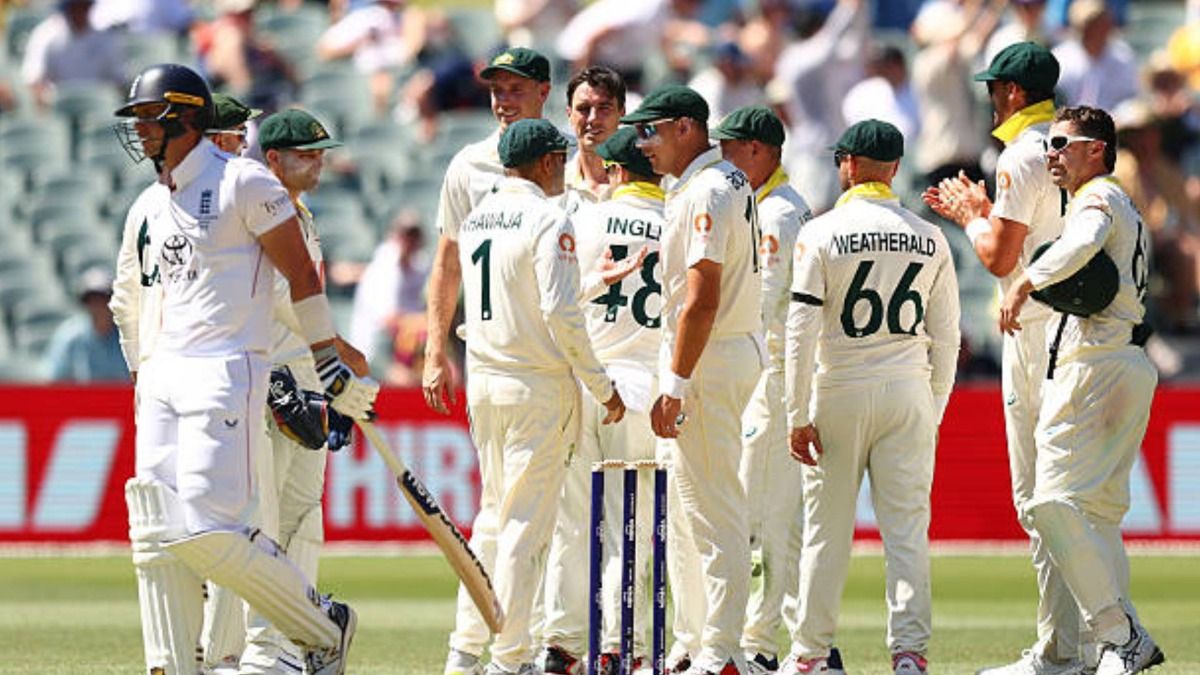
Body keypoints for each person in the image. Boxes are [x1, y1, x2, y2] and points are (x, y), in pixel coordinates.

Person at [108, 63, 375, 675]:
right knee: (154, 528)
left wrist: (327, 357)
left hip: (227, 371)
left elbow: (300, 276)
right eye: (140, 120)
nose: (142, 130)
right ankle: (174, 666)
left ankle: (320, 625)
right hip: (162, 377)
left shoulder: (244, 182)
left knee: (206, 528)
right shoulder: (150, 203)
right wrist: (142, 372)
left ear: (186, 117)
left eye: (151, 118)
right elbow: (133, 297)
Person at [426, 118, 626, 675]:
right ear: (543, 163)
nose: (563, 169)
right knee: (523, 530)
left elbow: (522, 302)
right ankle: (508, 657)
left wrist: (594, 283)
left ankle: (464, 651)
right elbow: (559, 316)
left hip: (486, 383)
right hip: (536, 387)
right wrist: (601, 385)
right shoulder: (549, 218)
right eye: (558, 160)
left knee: (493, 521)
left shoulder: (479, 219)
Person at [923, 42, 1084, 675]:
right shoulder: (1071, 147)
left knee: (1039, 497)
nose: (989, 99)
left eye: (994, 89)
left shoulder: (1019, 152)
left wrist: (970, 216)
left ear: (1014, 94)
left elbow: (996, 258)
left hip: (1036, 333)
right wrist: (988, 213)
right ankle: (1090, 637)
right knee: (1068, 493)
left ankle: (1061, 648)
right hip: (1070, 327)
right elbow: (1034, 240)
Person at [782, 119, 960, 675]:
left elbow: (800, 331)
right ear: (894, 170)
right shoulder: (928, 236)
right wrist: (933, 407)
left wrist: (796, 412)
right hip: (907, 388)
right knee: (906, 530)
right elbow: (949, 335)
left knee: (825, 533)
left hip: (839, 388)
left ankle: (810, 653)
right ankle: (909, 654)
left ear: (851, 165)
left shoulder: (821, 231)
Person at [997, 105, 1163, 675]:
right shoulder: (1125, 202)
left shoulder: (1097, 199)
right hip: (1128, 360)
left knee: (1051, 503)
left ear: (1096, 148)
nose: (1051, 155)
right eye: (1048, 145)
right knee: (1098, 515)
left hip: (1094, 363)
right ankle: (1103, 651)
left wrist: (1026, 280)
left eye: (1063, 144)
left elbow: (1084, 242)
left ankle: (1121, 635)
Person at [421, 48, 553, 675]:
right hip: (514, 363)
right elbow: (446, 261)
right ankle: (506, 650)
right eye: (496, 89)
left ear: (543, 92)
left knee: (514, 515)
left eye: (515, 88)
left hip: (538, 365)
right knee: (515, 516)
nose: (503, 99)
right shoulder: (470, 164)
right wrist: (434, 347)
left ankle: (481, 647)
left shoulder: (570, 159)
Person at [625, 84, 761, 675]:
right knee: (688, 509)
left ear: (686, 127)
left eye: (650, 130)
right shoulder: (724, 180)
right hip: (720, 350)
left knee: (712, 510)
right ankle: (700, 640)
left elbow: (700, 298)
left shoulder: (708, 189)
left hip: (708, 356)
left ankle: (724, 650)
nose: (641, 144)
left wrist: (676, 383)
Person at [231, 107, 366, 674]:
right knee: (263, 524)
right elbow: (283, 299)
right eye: (306, 154)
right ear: (273, 159)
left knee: (304, 518)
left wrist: (329, 368)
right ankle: (265, 650)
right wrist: (340, 348)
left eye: (320, 152)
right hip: (272, 384)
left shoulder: (302, 214)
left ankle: (306, 640)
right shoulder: (259, 213)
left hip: (308, 380)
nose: (318, 161)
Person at [541, 126, 664, 673]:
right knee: (627, 523)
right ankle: (619, 645)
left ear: (613, 172)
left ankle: (561, 644)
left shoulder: (582, 220)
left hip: (585, 385)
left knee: (571, 522)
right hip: (641, 389)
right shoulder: (676, 223)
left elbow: (557, 304)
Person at [710, 105, 812, 674]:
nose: (724, 158)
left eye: (730, 147)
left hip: (771, 376)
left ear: (757, 150)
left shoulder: (776, 214)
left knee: (761, 515)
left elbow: (768, 300)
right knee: (763, 514)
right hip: (766, 372)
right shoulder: (767, 206)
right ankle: (769, 639)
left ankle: (759, 644)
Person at [348, 212, 431, 382]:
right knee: (407, 380)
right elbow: (389, 320)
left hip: (403, 346)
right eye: (405, 235)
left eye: (414, 235)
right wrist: (422, 323)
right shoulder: (382, 268)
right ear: (395, 236)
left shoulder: (420, 265)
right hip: (373, 352)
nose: (409, 241)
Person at [21, 0, 125, 109]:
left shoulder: (105, 38)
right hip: (57, 109)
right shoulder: (45, 35)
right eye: (75, 6)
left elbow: (118, 83)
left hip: (97, 109)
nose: (80, 11)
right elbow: (34, 82)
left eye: (84, 5)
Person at [42, 266, 129, 382]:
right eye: (92, 300)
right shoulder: (69, 338)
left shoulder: (128, 338)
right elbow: (54, 382)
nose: (98, 306)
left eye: (104, 299)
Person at [1051, 0, 1138, 111]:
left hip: (1114, 124)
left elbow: (1130, 99)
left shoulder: (1123, 57)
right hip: (1071, 123)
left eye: (1100, 23)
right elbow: (1055, 102)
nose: (1096, 31)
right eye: (1089, 25)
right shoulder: (1060, 58)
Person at [562, 65, 626, 210]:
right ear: (569, 114)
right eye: (583, 109)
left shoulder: (651, 182)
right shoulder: (555, 188)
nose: (593, 119)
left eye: (604, 108)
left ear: (622, 112)